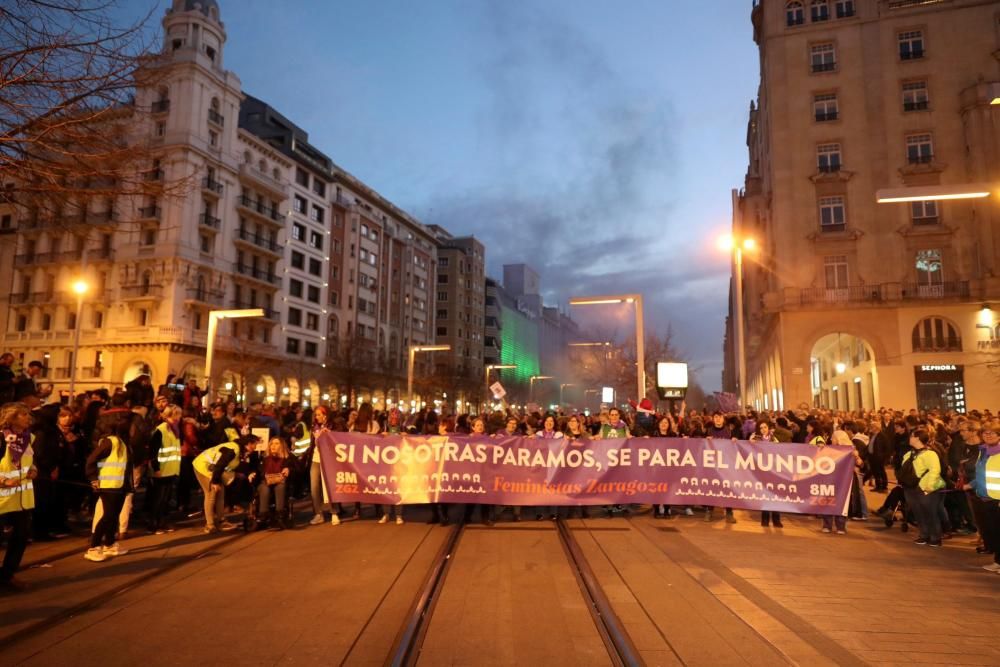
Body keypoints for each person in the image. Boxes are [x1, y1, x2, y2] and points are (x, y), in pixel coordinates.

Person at [0, 402, 39, 591]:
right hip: (2, 498)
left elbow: (29, 462)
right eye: (24, 414)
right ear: (12, 417)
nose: (29, 418)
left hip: (22, 498)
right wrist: (2, 481)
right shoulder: (1, 439)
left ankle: (7, 575)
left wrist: (33, 470)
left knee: (21, 536)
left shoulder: (28, 438)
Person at [84, 416, 132, 562]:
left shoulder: (122, 443)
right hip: (109, 485)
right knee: (108, 516)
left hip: (119, 485)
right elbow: (91, 459)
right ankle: (94, 547)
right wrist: (93, 478)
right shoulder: (111, 442)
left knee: (112, 516)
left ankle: (109, 544)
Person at [901, 428, 946, 547]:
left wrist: (928, 487)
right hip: (910, 487)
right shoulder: (909, 453)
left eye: (911, 436)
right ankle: (924, 535)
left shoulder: (930, 454)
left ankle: (935, 537)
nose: (909, 438)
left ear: (917, 438)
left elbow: (935, 470)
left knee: (930, 513)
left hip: (925, 488)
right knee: (918, 513)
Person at [192, 435, 243, 533]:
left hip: (213, 469)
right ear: (248, 445)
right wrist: (215, 482)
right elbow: (219, 465)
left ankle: (221, 521)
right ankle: (210, 525)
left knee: (220, 493)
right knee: (211, 494)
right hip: (203, 467)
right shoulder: (233, 449)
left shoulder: (236, 448)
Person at [147, 404, 182, 534]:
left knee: (165, 499)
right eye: (178, 414)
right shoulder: (161, 430)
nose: (179, 417)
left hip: (170, 470)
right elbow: (153, 451)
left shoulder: (174, 429)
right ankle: (154, 524)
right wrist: (156, 468)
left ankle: (161, 522)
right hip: (161, 470)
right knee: (158, 499)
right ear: (171, 415)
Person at [751, 421, 783, 528]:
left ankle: (776, 520)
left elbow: (781, 451)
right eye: (761, 428)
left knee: (775, 496)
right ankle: (764, 519)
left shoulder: (774, 439)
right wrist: (750, 442)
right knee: (765, 496)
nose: (763, 429)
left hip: (774, 471)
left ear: (769, 428)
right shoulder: (755, 438)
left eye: (765, 427)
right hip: (762, 471)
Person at [254, 437, 291, 530]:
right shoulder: (264, 458)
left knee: (280, 487)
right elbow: (257, 471)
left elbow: (296, 469)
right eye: (272, 443)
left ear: (282, 446)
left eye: (276, 443)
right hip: (265, 481)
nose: (273, 445)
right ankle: (263, 515)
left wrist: (288, 469)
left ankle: (280, 515)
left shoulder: (288, 458)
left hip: (280, 481)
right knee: (264, 488)